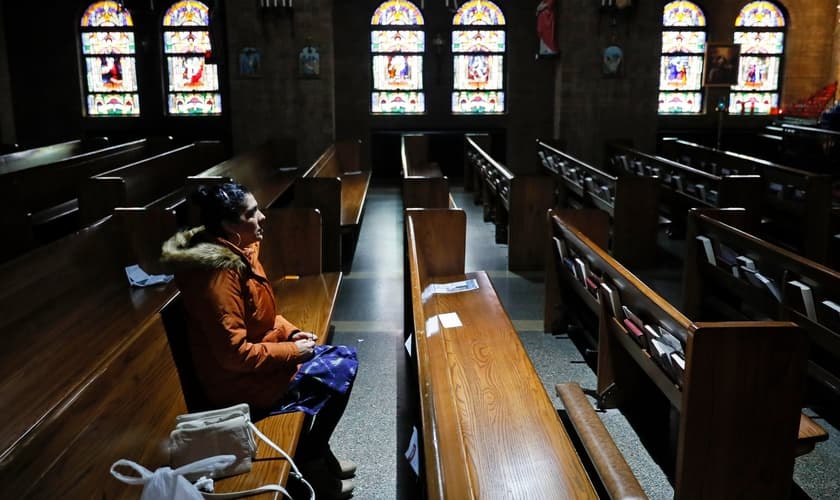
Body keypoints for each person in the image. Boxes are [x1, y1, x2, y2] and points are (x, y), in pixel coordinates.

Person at [160, 182, 357, 500]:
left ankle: (317, 454)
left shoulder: (241, 253)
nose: (263, 217)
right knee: (339, 368)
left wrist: (292, 334)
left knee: (341, 362)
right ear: (229, 226)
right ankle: (313, 460)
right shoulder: (218, 277)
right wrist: (294, 351)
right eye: (252, 213)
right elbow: (233, 355)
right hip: (237, 384)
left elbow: (262, 318)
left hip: (253, 367)